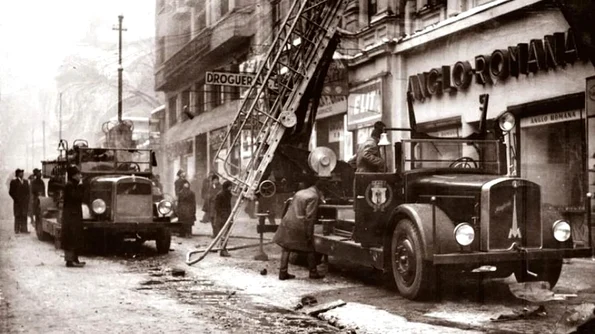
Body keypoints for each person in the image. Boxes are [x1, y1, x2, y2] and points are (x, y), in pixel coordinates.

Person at [272, 179, 325, 280]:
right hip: (299, 224)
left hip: (288, 221)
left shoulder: (300, 192)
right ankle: (313, 273)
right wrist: (309, 234)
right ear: (321, 190)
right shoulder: (314, 197)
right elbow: (310, 217)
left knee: (286, 248)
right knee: (310, 248)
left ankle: (282, 273)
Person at [62, 165, 86, 268]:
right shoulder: (70, 185)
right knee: (71, 237)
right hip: (70, 216)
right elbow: (75, 197)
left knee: (76, 237)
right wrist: (81, 186)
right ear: (73, 175)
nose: (80, 176)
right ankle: (70, 261)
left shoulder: (73, 184)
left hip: (73, 215)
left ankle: (75, 259)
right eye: (78, 174)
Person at [213, 180, 233, 257]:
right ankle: (223, 249)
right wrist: (223, 214)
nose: (231, 188)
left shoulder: (227, 194)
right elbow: (217, 207)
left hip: (228, 215)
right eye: (230, 186)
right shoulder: (220, 195)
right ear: (227, 187)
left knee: (226, 233)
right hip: (222, 217)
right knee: (224, 234)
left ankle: (223, 248)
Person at [9, 169, 30, 234]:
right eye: (21, 173)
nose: (22, 174)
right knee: (17, 215)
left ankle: (24, 229)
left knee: (24, 215)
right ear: (17, 174)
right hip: (17, 202)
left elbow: (28, 192)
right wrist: (15, 199)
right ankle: (17, 229)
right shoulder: (13, 182)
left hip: (24, 202)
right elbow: (11, 192)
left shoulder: (26, 182)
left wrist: (27, 199)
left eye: (22, 173)